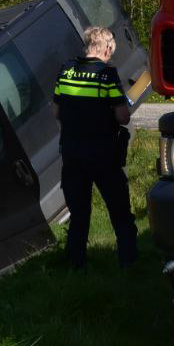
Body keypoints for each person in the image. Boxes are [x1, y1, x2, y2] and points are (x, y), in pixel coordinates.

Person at [52, 26, 137, 269]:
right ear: (107, 48)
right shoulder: (106, 75)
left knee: (79, 215)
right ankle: (129, 263)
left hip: (72, 154)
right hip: (103, 156)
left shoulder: (66, 71)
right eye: (112, 51)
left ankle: (76, 266)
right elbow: (123, 117)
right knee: (120, 212)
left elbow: (56, 111)